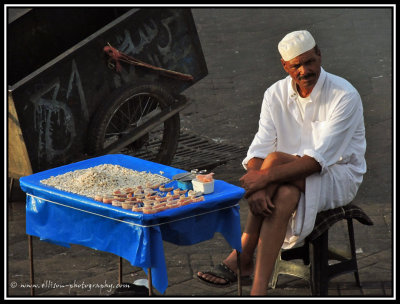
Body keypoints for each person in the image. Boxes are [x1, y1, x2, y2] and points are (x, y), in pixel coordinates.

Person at [197, 30, 366, 296]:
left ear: (319, 55)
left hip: (338, 176)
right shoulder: (274, 94)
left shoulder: (344, 95)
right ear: (285, 66)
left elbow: (315, 162)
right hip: (283, 180)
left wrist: (261, 182)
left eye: (309, 61)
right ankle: (258, 289)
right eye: (296, 65)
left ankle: (242, 254)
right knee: (284, 190)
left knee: (275, 161)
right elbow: (258, 151)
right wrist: (262, 182)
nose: (304, 70)